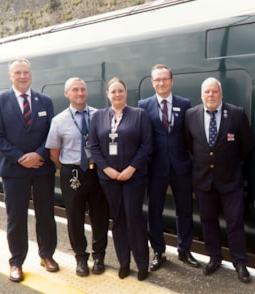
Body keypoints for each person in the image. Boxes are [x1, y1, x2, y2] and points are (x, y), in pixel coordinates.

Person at [0, 57, 59, 283]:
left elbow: (51, 133)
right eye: (18, 73)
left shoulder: (45, 101)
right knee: (16, 217)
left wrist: (39, 154)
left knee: (46, 214)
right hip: (13, 170)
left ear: (31, 74)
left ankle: (46, 255)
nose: (22, 76)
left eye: (26, 72)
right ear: (10, 75)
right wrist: (21, 158)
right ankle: (16, 261)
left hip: (41, 168)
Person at [184, 77, 254, 283]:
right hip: (204, 180)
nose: (211, 95)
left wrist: (230, 163)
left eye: (214, 92)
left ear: (221, 94)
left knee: (234, 222)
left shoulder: (236, 114)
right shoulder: (190, 115)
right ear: (201, 95)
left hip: (230, 180)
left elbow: (247, 145)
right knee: (208, 221)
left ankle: (240, 263)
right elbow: (190, 144)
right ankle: (214, 257)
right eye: (207, 92)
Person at [89, 77, 152, 281]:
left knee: (134, 218)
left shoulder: (139, 115)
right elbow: (94, 147)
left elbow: (146, 145)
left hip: (134, 177)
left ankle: (142, 264)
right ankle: (124, 263)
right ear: (108, 94)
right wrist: (107, 169)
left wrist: (131, 168)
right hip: (109, 178)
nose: (117, 95)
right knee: (118, 220)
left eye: (120, 91)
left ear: (126, 93)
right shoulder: (98, 116)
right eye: (113, 91)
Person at [138, 64, 200, 271]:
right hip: (155, 168)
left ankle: (184, 250)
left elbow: (188, 135)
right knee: (154, 211)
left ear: (172, 81)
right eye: (157, 79)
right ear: (152, 82)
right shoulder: (143, 105)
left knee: (184, 210)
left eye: (165, 79)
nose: (161, 83)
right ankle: (158, 251)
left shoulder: (184, 104)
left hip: (181, 166)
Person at [45, 77, 109, 277]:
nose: (80, 93)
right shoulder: (59, 120)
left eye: (82, 89)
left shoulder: (99, 115)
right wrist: (69, 167)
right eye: (75, 90)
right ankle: (81, 257)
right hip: (72, 172)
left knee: (100, 216)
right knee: (75, 217)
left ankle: (99, 256)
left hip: (97, 171)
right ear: (67, 94)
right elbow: (54, 152)